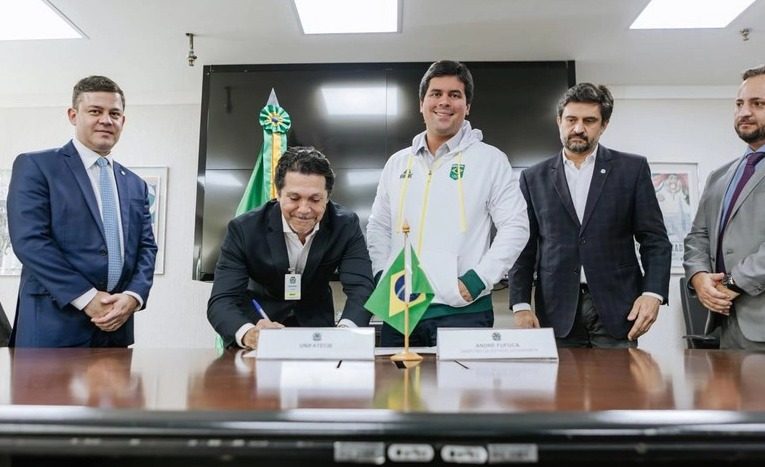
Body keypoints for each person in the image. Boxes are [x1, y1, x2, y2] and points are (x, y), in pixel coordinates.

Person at [366, 60, 530, 347]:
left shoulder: (490, 160)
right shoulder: (397, 163)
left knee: (461, 380)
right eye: (436, 94)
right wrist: (383, 274)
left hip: (463, 310)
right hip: (401, 310)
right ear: (421, 103)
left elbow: (516, 227)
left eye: (455, 95)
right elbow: (378, 225)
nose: (444, 102)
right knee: (396, 379)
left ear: (467, 106)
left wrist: (477, 280)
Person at [508, 83, 671, 348]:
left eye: (589, 121)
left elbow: (655, 239)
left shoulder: (632, 169)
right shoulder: (533, 177)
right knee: (562, 378)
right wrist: (521, 304)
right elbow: (523, 246)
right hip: (556, 310)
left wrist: (653, 293)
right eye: (571, 119)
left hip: (618, 308)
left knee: (618, 377)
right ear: (559, 121)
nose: (578, 128)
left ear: (603, 125)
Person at [7, 75, 157, 347]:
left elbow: (147, 247)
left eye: (114, 114)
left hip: (115, 328)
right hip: (52, 328)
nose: (106, 120)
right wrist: (87, 297)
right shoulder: (37, 166)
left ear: (123, 121)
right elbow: (30, 242)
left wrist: (134, 296)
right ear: (73, 115)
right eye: (95, 111)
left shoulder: (136, 185)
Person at [207, 146, 374, 349]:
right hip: (260, 331)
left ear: (327, 197)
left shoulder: (345, 225)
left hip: (318, 335)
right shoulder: (244, 229)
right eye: (294, 198)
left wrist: (346, 331)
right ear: (278, 194)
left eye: (315, 199)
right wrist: (249, 333)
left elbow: (362, 288)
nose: (304, 209)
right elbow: (222, 300)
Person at [684, 65, 765, 350]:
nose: (745, 112)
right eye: (739, 104)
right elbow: (698, 237)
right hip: (725, 324)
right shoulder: (719, 176)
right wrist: (699, 278)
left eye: (758, 104)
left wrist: (732, 284)